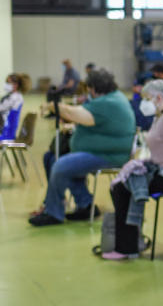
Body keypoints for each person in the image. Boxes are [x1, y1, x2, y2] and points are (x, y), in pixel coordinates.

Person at [29, 69, 136, 226]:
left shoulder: (108, 103)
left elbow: (76, 114)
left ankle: (53, 213)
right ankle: (85, 204)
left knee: (61, 165)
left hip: (109, 156)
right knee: (52, 158)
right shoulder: (112, 98)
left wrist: (54, 106)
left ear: (93, 88)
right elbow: (93, 121)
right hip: (102, 152)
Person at [105, 79, 163, 260]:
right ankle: (132, 241)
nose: (143, 103)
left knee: (122, 189)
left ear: (159, 97)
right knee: (122, 184)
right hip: (160, 170)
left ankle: (127, 248)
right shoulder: (160, 116)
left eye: (146, 98)